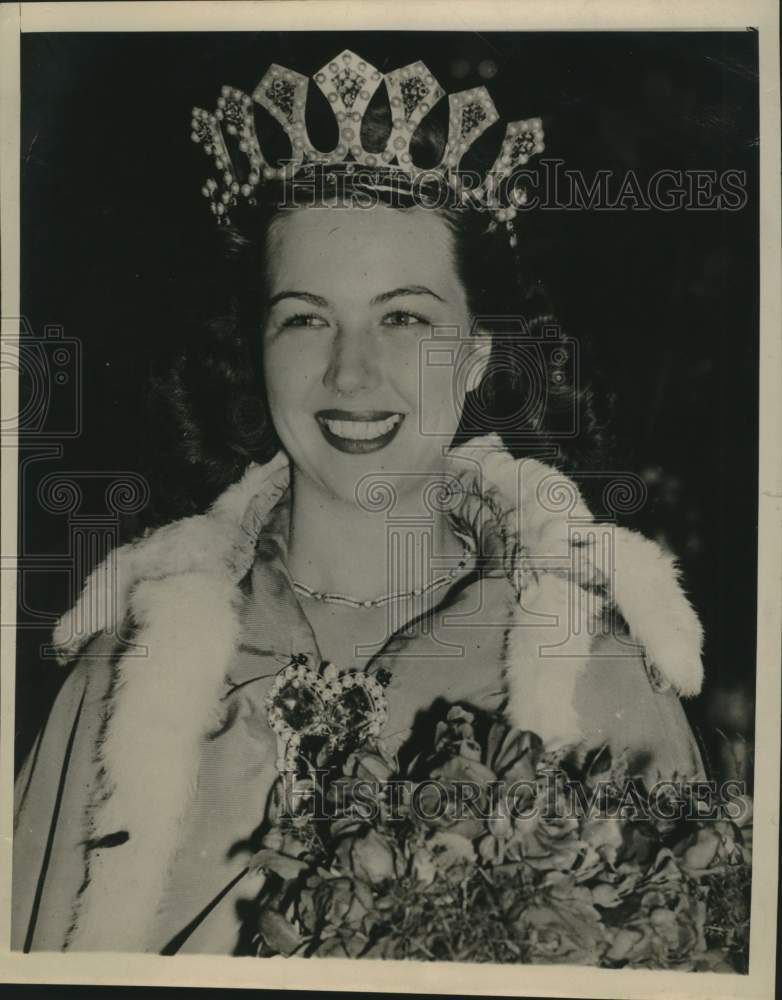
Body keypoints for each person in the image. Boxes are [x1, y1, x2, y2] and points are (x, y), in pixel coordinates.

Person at [12, 49, 706, 955]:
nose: (350, 373)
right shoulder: (126, 675)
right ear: (256, 351)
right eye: (305, 317)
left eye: (405, 317)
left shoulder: (597, 677)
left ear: (473, 359)